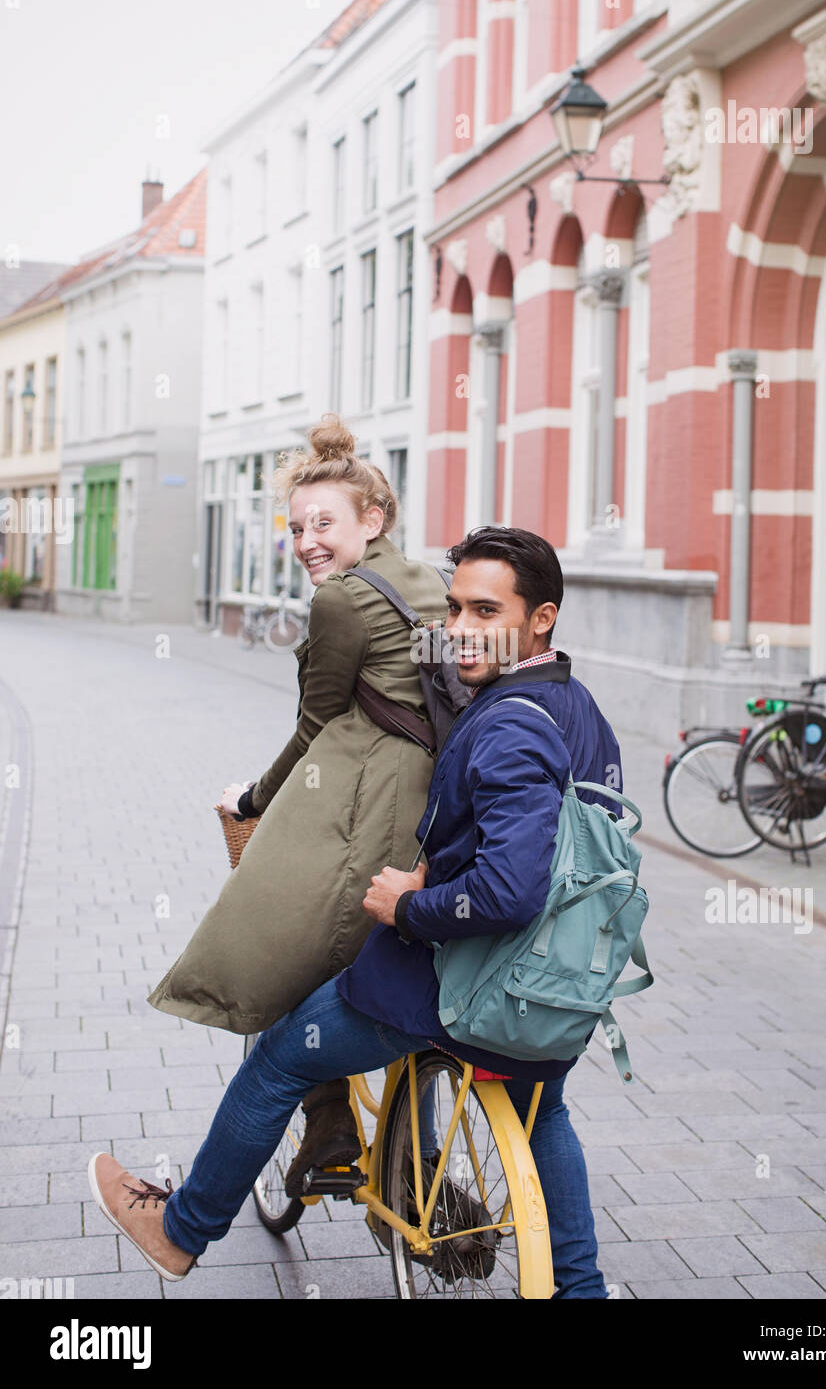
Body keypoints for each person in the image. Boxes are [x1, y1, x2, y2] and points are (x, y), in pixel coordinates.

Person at [90, 526, 626, 1299]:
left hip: (460, 981)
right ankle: (581, 1291)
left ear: (541, 618)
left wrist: (410, 905)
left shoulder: (507, 726)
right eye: (454, 609)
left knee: (280, 1053)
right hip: (555, 990)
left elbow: (512, 888)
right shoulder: (577, 708)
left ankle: (179, 1233)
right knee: (543, 1114)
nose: (460, 631)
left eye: (486, 611)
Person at [146, 412, 450, 1165]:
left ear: (371, 519)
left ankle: (331, 1129)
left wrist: (252, 801)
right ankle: (406, 1158)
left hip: (369, 806)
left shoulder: (340, 599)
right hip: (435, 807)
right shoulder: (428, 580)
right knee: (379, 967)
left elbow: (314, 723)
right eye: (295, 527)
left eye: (324, 523)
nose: (307, 540)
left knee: (278, 948)